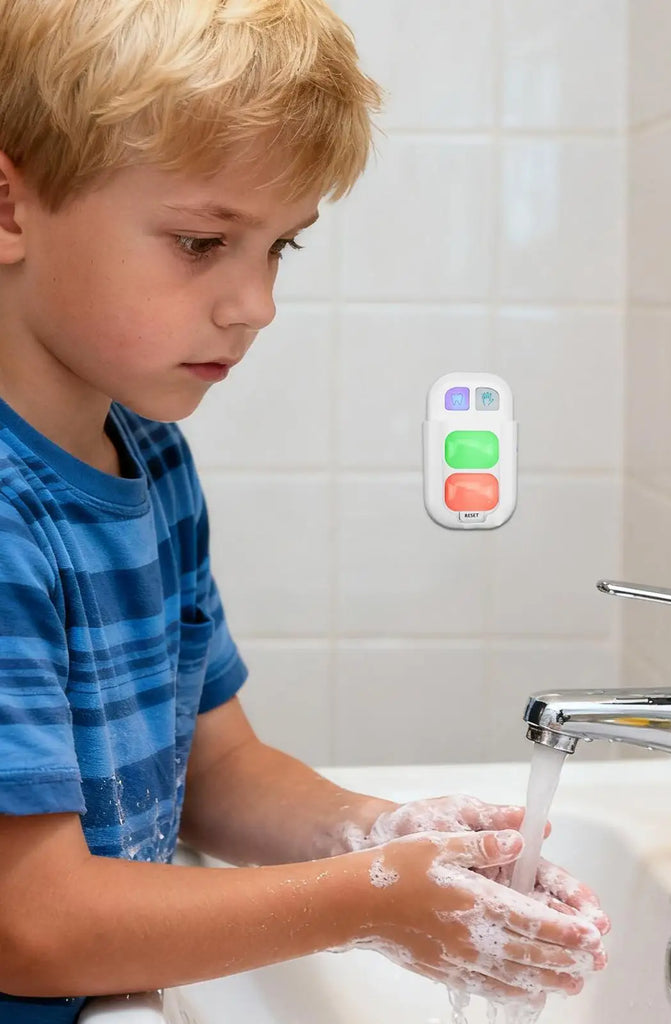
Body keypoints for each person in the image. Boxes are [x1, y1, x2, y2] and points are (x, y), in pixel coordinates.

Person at [0, 2, 610, 1020]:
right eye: (201, 242)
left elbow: (215, 768)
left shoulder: (150, 461)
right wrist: (366, 901)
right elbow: (34, 920)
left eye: (281, 246)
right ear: (11, 209)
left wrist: (387, 837)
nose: (255, 304)